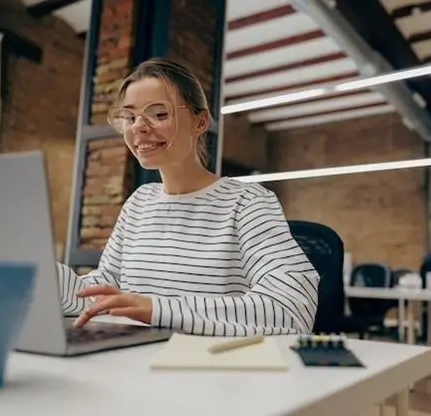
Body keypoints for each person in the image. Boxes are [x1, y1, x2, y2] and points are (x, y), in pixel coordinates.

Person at [56, 57, 319, 336]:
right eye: (130, 117)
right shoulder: (139, 203)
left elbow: (292, 307)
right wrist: (33, 275)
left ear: (200, 121)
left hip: (208, 367)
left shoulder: (247, 202)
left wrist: (157, 308)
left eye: (159, 114)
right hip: (132, 360)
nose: (139, 127)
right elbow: (102, 290)